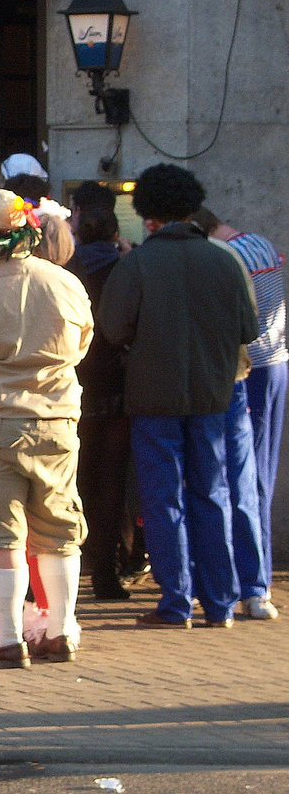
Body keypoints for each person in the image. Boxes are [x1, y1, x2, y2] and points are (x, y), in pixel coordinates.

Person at [0, 191, 95, 668]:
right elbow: (82, 343)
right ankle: (61, 632)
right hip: (57, 422)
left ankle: (8, 640)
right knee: (59, 531)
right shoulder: (67, 283)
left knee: (1, 535)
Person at [98, 164, 259, 629]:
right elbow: (250, 327)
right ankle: (222, 602)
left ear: (149, 217)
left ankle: (176, 601)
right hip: (213, 396)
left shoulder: (137, 265)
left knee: (163, 499)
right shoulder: (226, 260)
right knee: (213, 494)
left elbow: (113, 328)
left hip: (152, 397)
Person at [196, 208, 286, 621]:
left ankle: (248, 581)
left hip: (246, 369)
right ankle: (256, 583)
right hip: (276, 363)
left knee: (242, 479)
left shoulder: (224, 257)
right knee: (256, 476)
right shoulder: (261, 243)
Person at [65, 203, 134, 600]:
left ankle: (64, 574)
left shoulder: (65, 271)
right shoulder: (125, 267)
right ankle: (106, 573)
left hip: (75, 384)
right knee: (112, 480)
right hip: (117, 383)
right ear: (112, 232)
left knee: (73, 481)